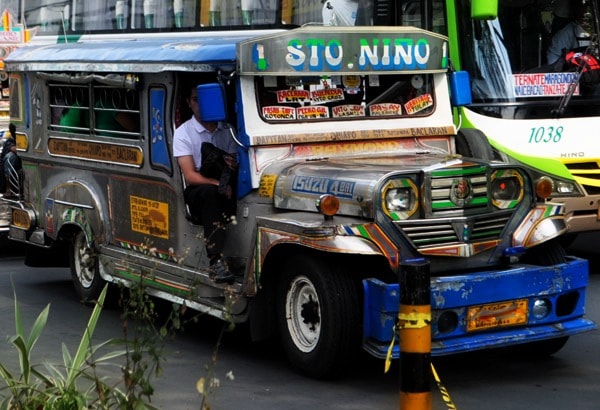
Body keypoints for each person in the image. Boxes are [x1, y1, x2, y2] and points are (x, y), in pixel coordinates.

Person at [173, 84, 238, 284]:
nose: (201, 105)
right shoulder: (183, 132)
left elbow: (235, 162)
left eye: (205, 99)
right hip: (198, 190)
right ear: (189, 104)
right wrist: (217, 183)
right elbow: (191, 175)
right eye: (195, 99)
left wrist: (231, 164)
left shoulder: (228, 130)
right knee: (210, 193)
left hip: (224, 182)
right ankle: (215, 260)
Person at [0, 123, 23, 198]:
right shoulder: (10, 141)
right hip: (8, 170)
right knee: (10, 157)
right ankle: (9, 188)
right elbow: (13, 148)